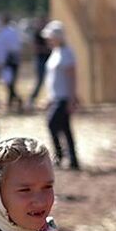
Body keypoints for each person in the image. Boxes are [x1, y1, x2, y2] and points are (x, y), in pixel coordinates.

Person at [42, 22, 79, 170]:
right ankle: (72, 159)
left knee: (52, 123)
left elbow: (72, 77)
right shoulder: (56, 51)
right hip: (56, 97)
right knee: (65, 128)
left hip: (64, 97)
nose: (48, 39)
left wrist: (72, 98)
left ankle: (59, 155)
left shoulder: (67, 52)